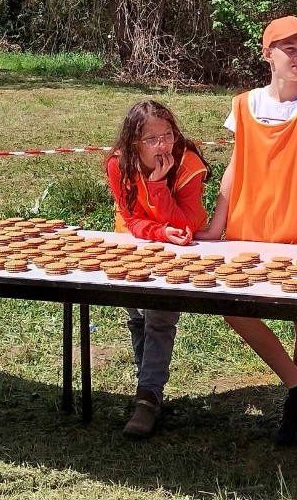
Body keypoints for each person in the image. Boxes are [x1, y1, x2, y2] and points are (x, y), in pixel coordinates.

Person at [198, 14, 297, 446]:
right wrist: (216, 225)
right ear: (268, 54)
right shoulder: (243, 105)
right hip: (249, 232)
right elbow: (234, 167)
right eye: (290, 49)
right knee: (233, 308)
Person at [104, 99, 209, 438]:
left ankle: (147, 399)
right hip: (134, 245)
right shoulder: (118, 164)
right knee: (137, 316)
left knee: (160, 319)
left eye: (167, 135)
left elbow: (187, 224)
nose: (162, 145)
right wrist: (159, 231)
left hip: (180, 251)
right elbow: (131, 219)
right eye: (151, 139)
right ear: (134, 143)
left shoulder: (188, 164)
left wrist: (160, 185)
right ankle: (146, 391)